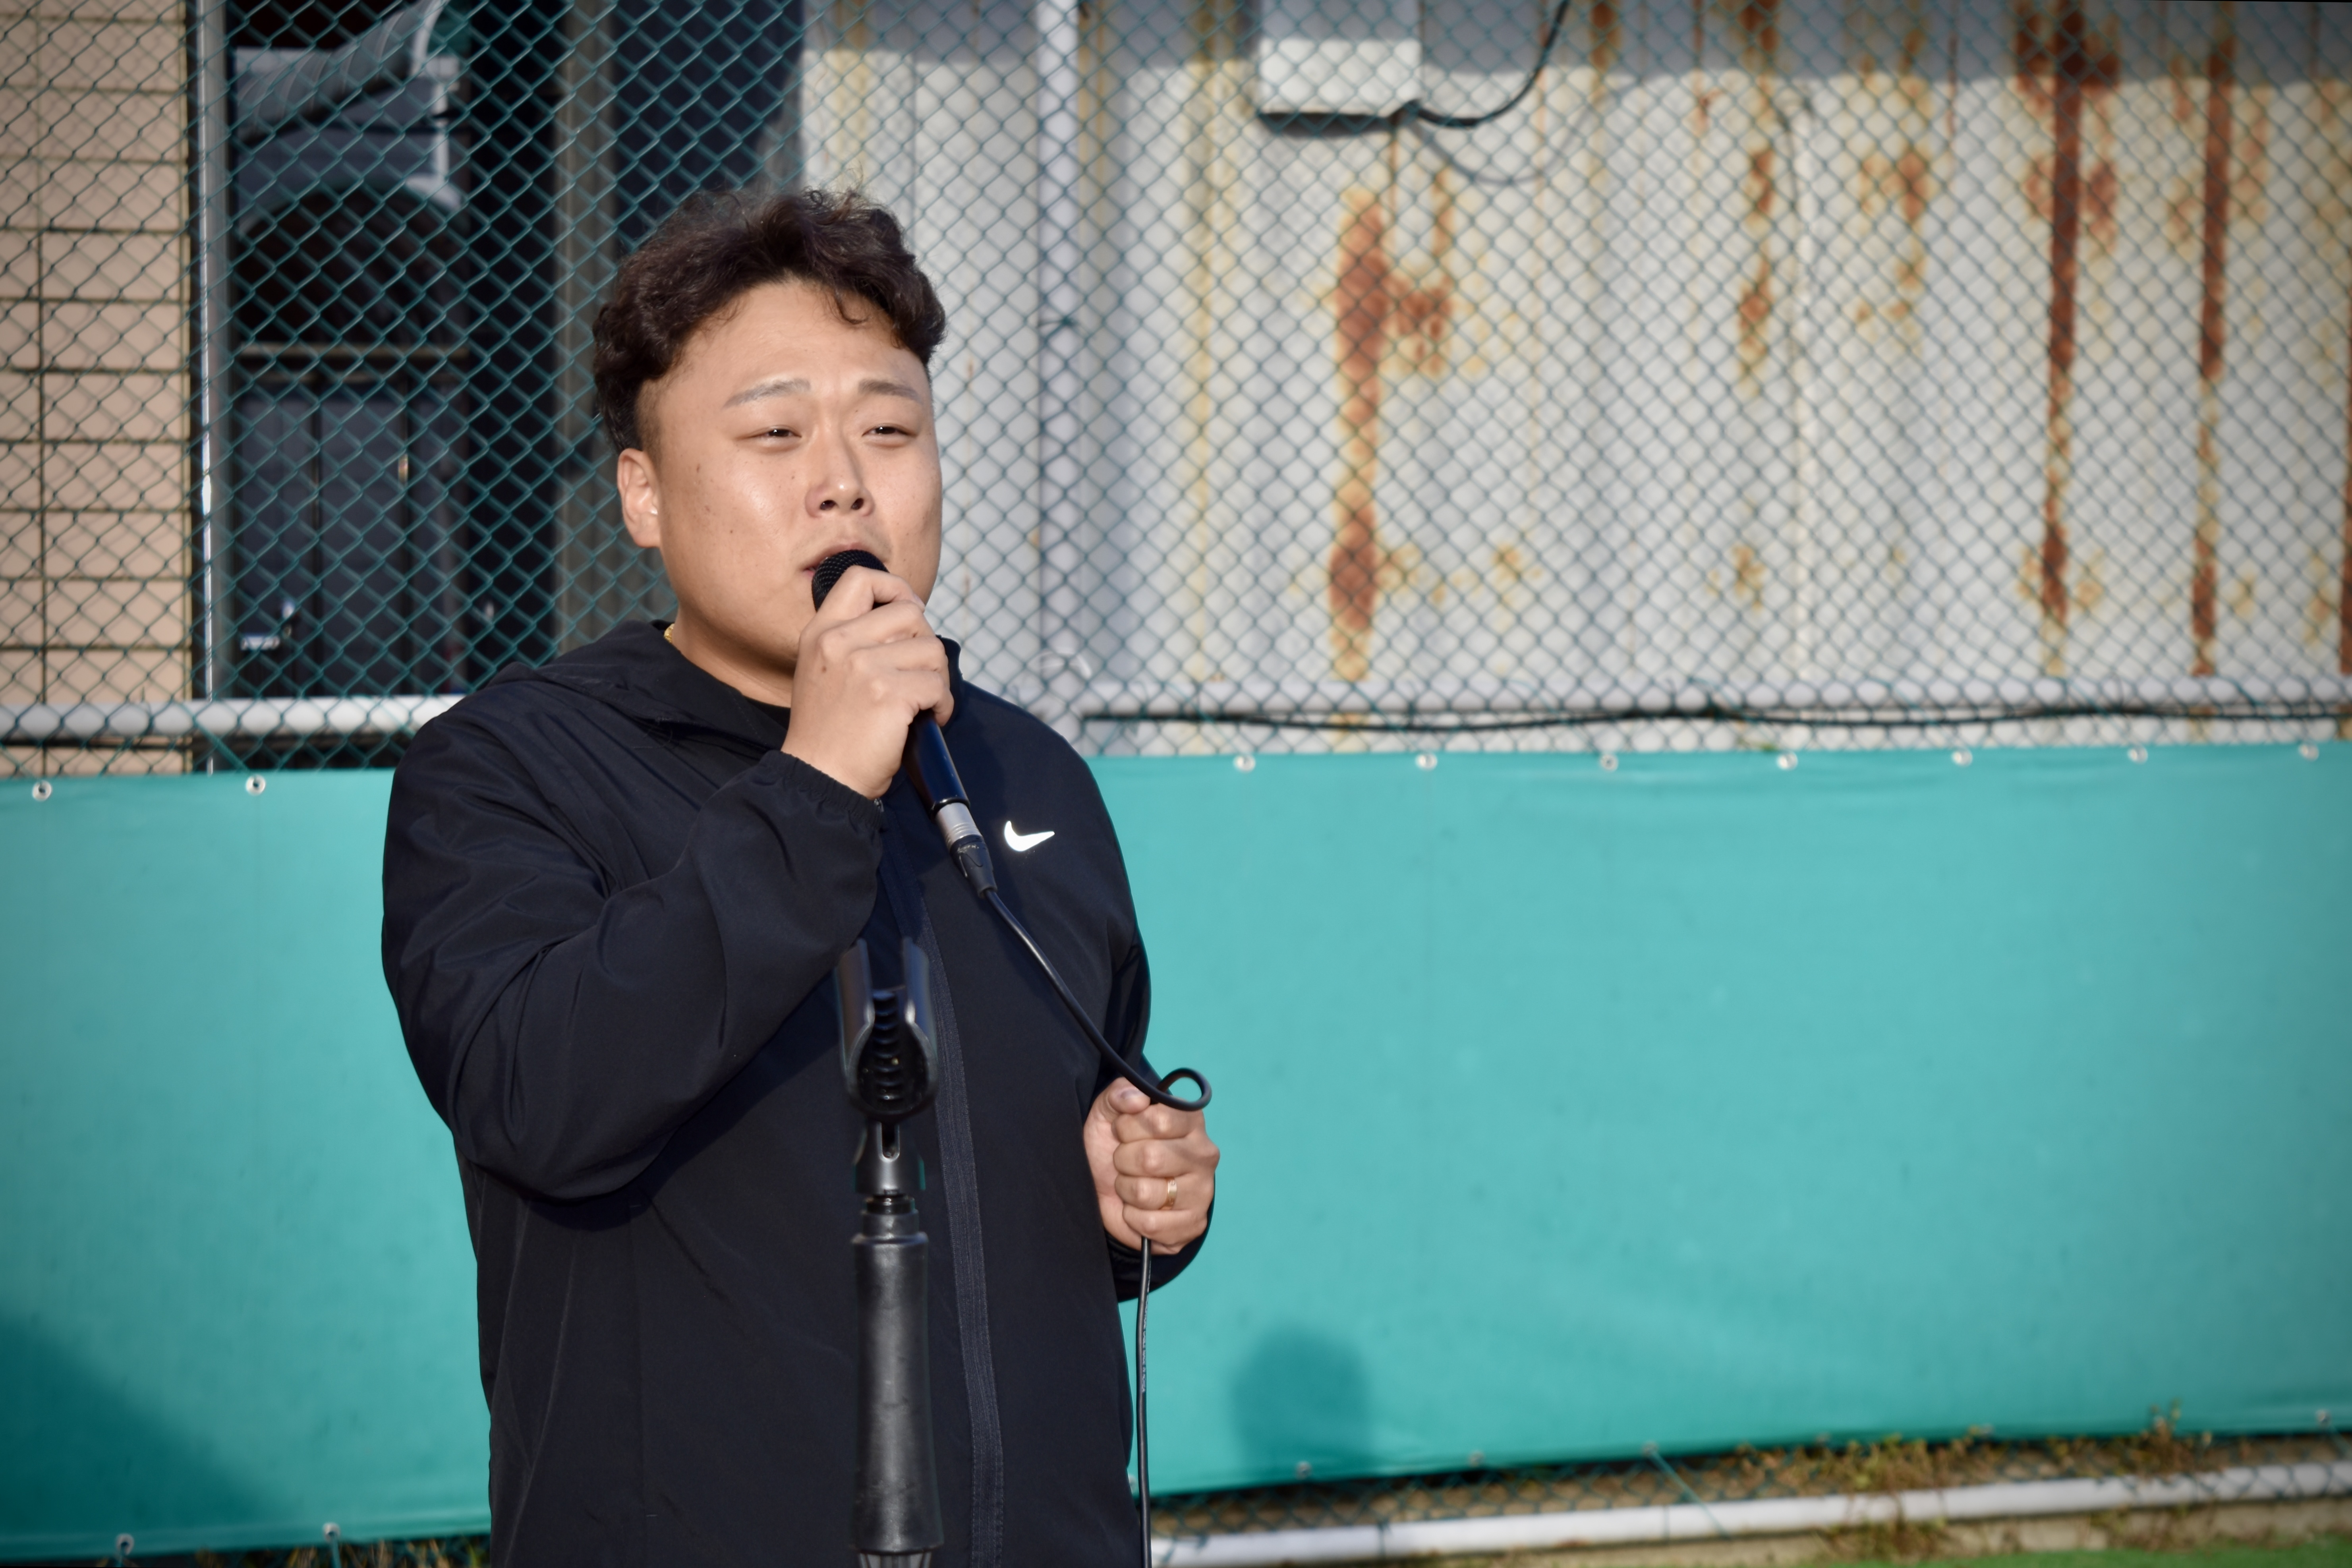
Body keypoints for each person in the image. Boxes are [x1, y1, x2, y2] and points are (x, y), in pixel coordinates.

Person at [380, 186, 1219, 1568]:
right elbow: (536, 1098)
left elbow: (1077, 1116)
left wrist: (1137, 1200)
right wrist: (818, 784)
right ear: (643, 494)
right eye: (775, 434)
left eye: (889, 430)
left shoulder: (1022, 769)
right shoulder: (512, 766)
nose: (844, 481)